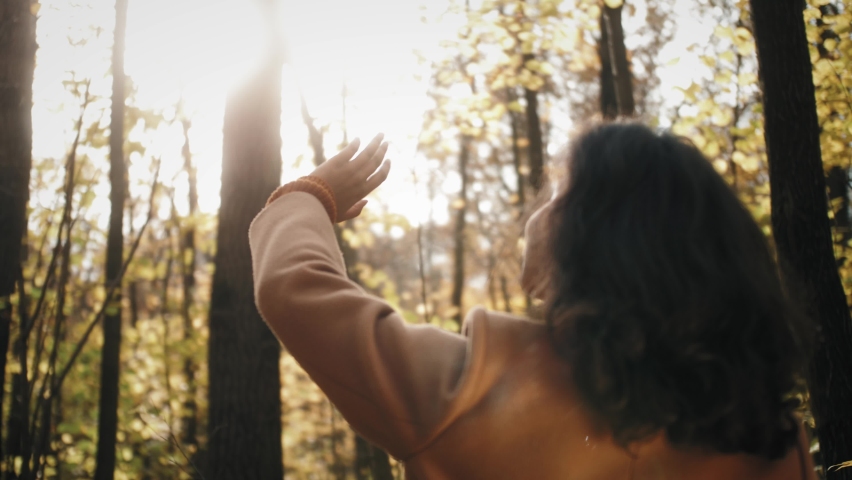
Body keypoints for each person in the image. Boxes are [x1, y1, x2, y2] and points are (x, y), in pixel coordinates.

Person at [249, 123, 816, 479]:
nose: (534, 209)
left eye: (555, 192)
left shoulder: (472, 393)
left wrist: (307, 196)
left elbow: (296, 287)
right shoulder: (772, 436)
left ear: (595, 237)